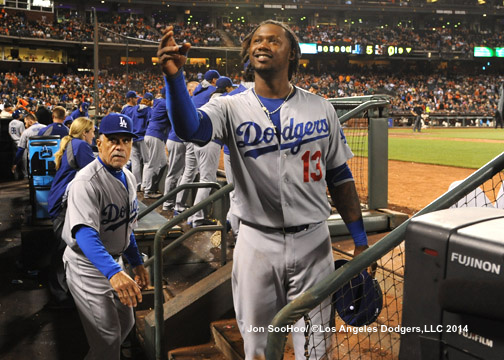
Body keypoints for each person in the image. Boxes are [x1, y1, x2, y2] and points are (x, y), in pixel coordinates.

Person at [158, 20, 370, 359]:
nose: (263, 44)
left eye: (273, 40)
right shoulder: (228, 106)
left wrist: (360, 241)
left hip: (314, 243)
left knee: (317, 348)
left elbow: (340, 175)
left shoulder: (321, 107)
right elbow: (189, 129)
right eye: (257, 40)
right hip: (256, 243)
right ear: (247, 53)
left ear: (292, 55)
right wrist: (173, 78)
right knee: (257, 347)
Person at [61, 113, 149, 360]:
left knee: (126, 323)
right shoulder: (86, 181)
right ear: (98, 143)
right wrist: (114, 273)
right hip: (87, 267)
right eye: (112, 140)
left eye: (125, 141)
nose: (119, 146)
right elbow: (85, 233)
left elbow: (125, 226)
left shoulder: (128, 176)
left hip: (115, 262)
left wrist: (136, 262)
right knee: (108, 339)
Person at [45, 117, 96, 309]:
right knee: (62, 249)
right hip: (61, 205)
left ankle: (63, 293)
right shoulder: (81, 145)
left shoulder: (72, 143)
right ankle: (58, 298)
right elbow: (96, 172)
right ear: (85, 132)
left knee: (65, 248)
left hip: (58, 201)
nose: (94, 135)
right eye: (92, 131)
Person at [142, 87, 170, 197]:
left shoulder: (159, 102)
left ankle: (149, 187)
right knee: (152, 164)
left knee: (163, 162)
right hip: (155, 135)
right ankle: (148, 191)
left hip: (152, 134)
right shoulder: (164, 103)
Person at [8, 110, 26, 179]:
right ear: (18, 115)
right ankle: (25, 175)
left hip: (13, 141)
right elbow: (22, 134)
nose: (21, 115)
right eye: (20, 114)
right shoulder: (20, 123)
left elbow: (9, 133)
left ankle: (16, 175)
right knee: (23, 159)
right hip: (20, 141)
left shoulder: (10, 122)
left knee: (15, 159)